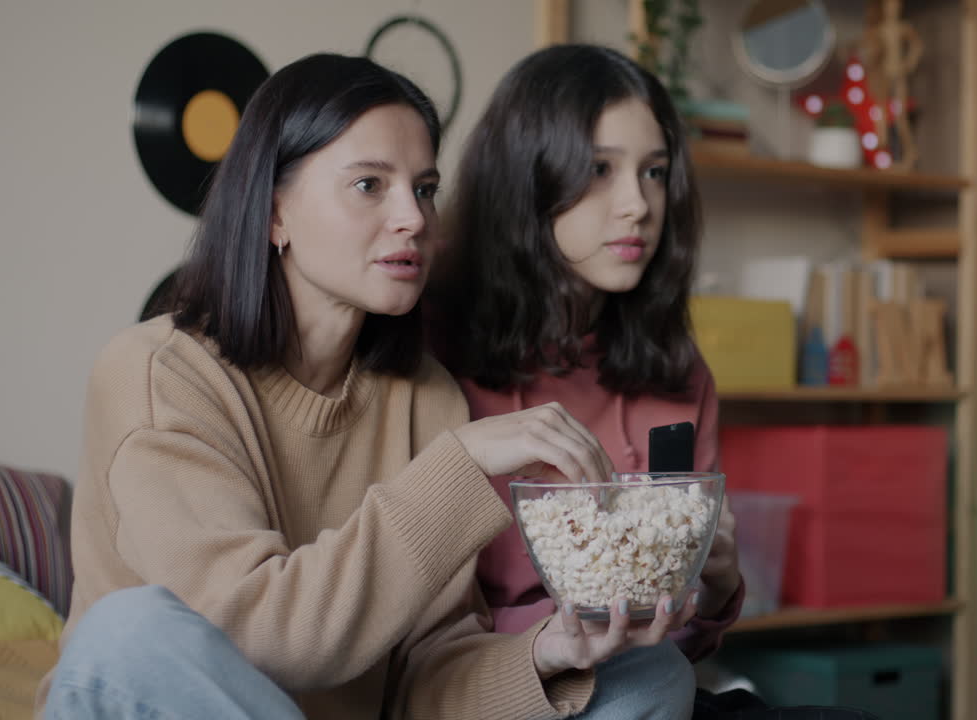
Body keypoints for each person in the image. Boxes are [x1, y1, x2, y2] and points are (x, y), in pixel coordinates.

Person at [38, 52, 696, 720]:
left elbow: (424, 678)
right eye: (369, 186)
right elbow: (262, 637)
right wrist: (456, 469)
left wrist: (548, 653)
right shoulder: (155, 374)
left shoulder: (425, 395)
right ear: (274, 215)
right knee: (127, 636)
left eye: (426, 188)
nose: (413, 217)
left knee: (647, 673)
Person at [427, 43, 745, 714]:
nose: (636, 205)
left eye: (654, 172)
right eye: (600, 170)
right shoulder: (428, 351)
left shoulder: (678, 370)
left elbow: (680, 639)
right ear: (526, 180)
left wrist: (713, 588)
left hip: (643, 680)